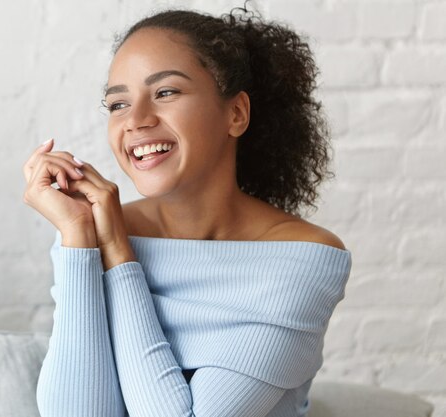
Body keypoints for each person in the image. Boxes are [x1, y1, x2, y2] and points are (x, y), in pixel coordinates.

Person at [23, 5, 352, 417]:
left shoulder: (304, 260)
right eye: (118, 104)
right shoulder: (89, 227)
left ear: (236, 113)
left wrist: (117, 253)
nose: (136, 120)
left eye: (165, 92)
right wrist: (77, 237)